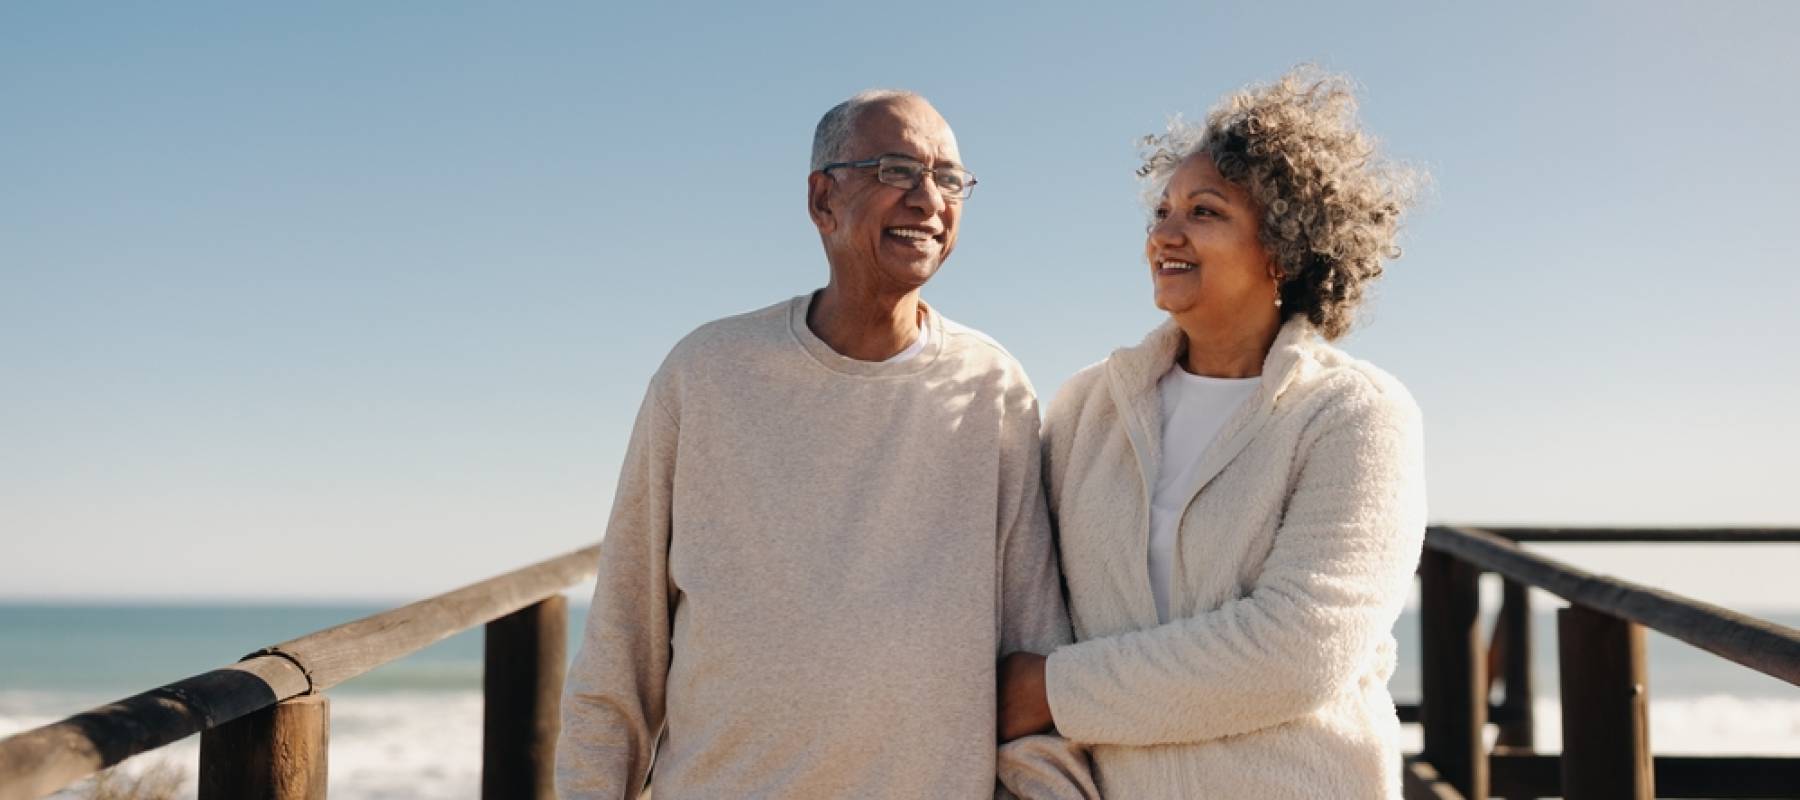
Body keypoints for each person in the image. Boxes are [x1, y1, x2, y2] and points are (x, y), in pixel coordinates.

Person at [558, 89, 1094, 799]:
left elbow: (1033, 653)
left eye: (949, 178)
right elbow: (619, 654)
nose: (929, 199)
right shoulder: (706, 373)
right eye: (897, 169)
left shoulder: (993, 389)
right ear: (823, 200)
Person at [997, 67, 1428, 797]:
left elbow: (1300, 648)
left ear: (1282, 250)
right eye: (1161, 211)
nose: (1165, 233)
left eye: (1204, 212)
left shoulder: (1358, 414)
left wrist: (1054, 692)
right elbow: (1037, 617)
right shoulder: (1084, 410)